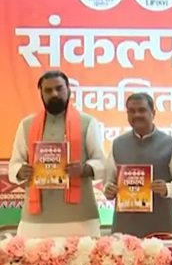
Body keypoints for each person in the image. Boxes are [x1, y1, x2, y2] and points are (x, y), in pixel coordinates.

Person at [7, 71, 106, 237]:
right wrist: (20, 171)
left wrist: (84, 169)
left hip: (80, 217)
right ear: (41, 93)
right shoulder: (27, 124)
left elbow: (102, 162)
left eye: (59, 88)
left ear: (69, 90)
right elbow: (15, 164)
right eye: (48, 90)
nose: (54, 94)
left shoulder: (87, 122)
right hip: (35, 220)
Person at [102, 93, 172, 237]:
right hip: (124, 228)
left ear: (153, 113)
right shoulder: (118, 144)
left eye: (142, 110)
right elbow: (108, 182)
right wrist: (108, 190)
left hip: (161, 226)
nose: (137, 115)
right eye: (131, 111)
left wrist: (167, 189)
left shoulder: (170, 144)